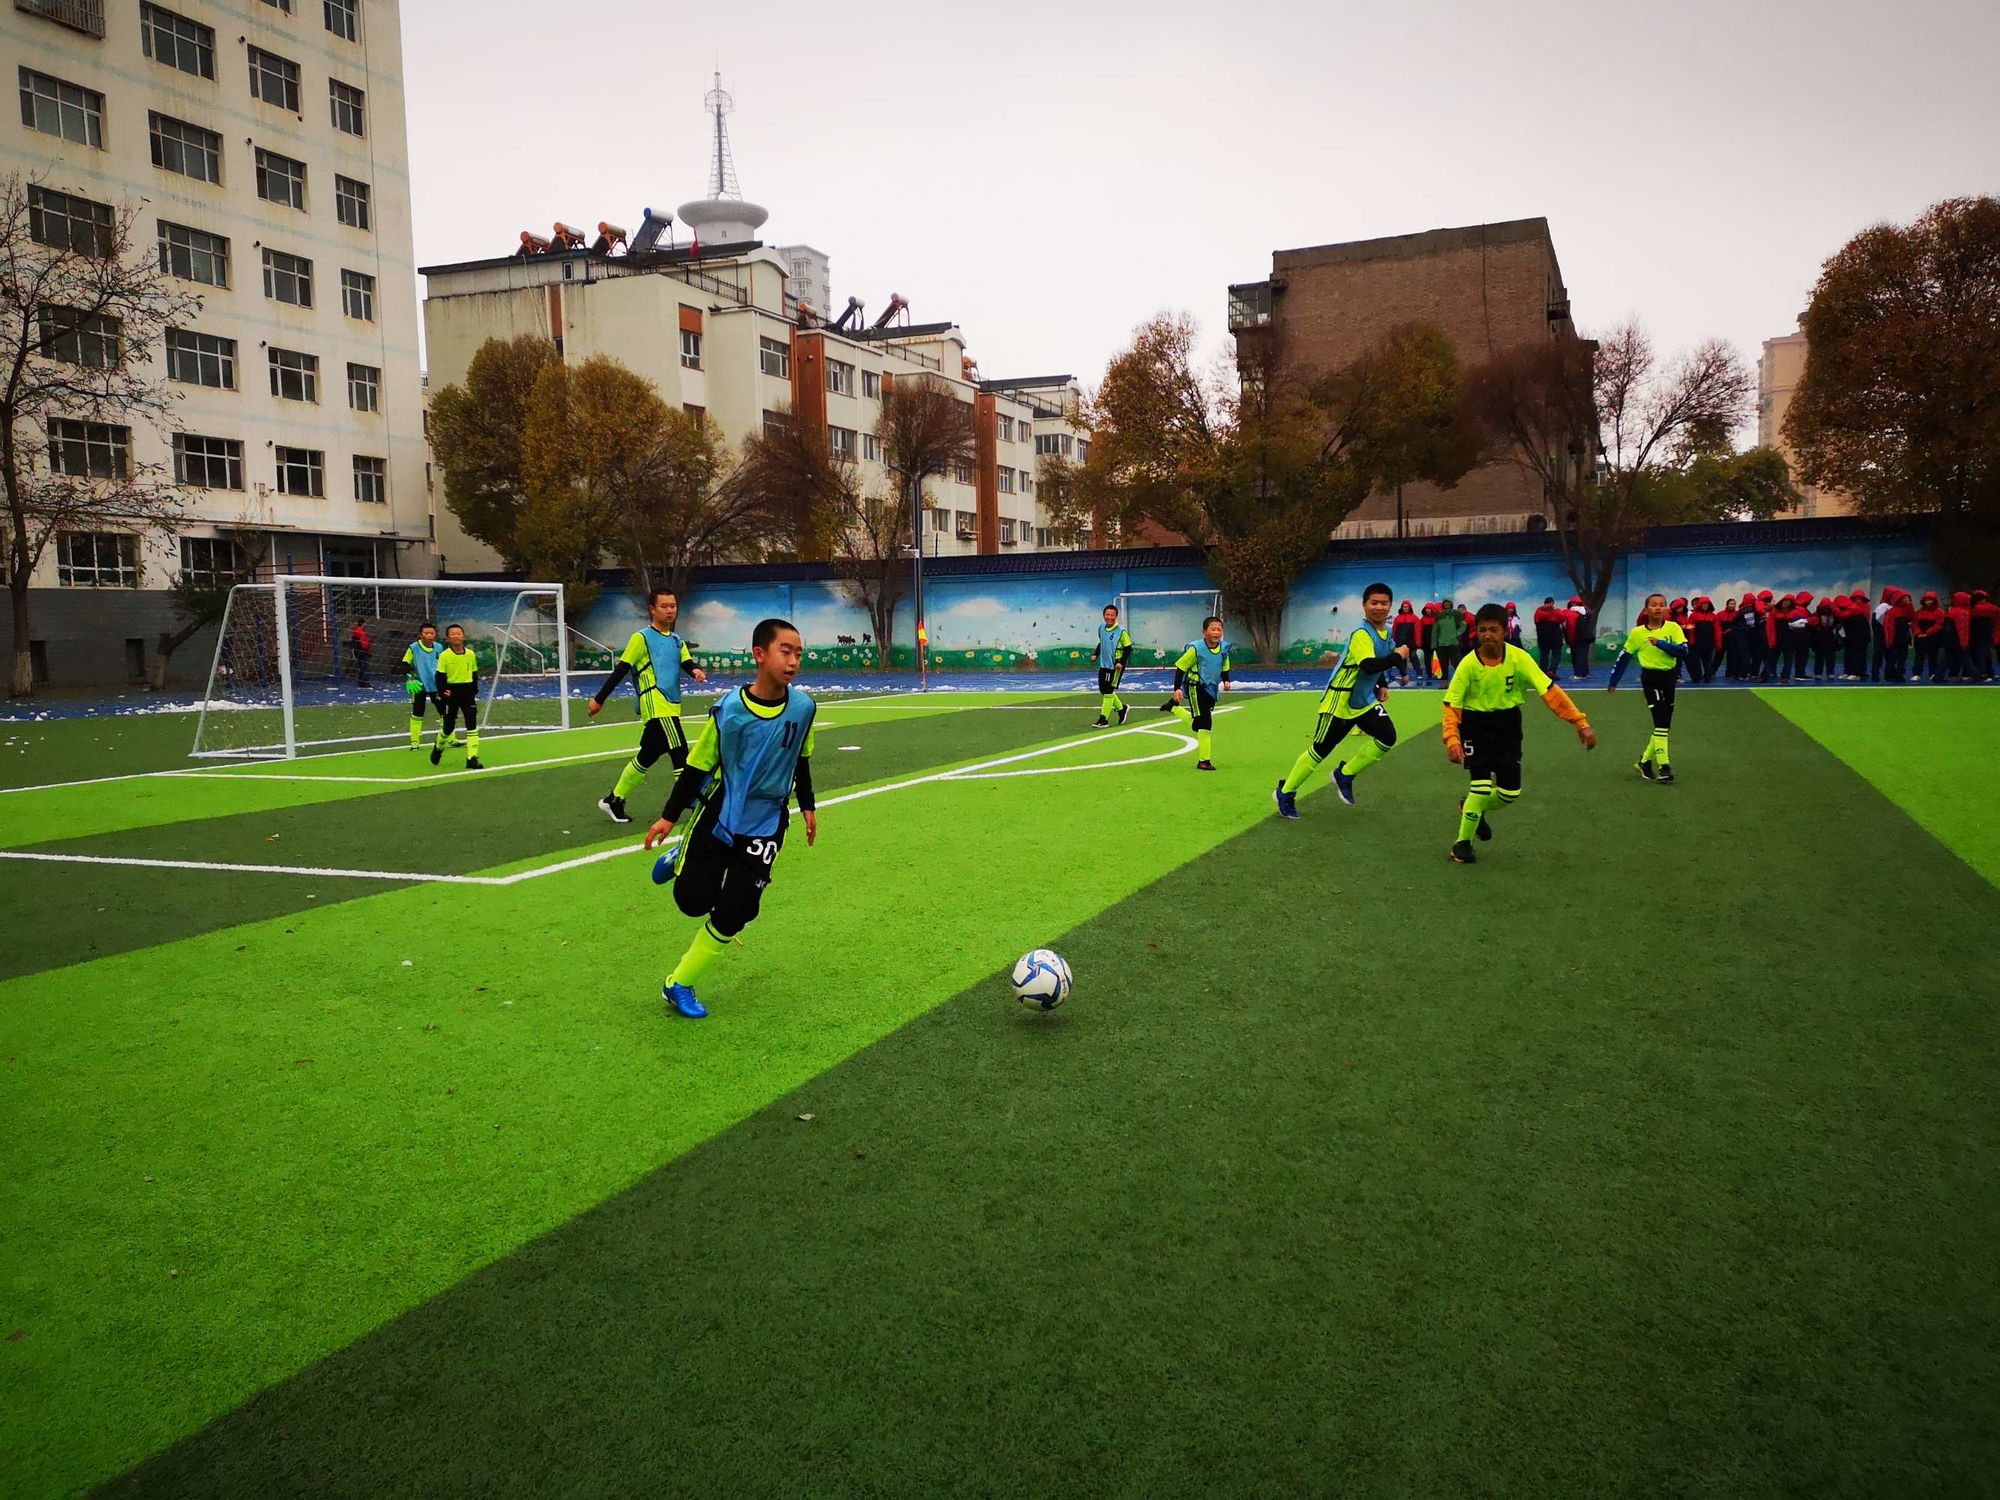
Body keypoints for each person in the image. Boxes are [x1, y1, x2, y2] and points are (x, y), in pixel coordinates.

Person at [643, 617, 819, 1020]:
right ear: (760, 654)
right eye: (785, 651)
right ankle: (679, 858)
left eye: (798, 654)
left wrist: (807, 805)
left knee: (738, 910)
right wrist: (668, 818)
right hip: (720, 814)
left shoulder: (805, 708)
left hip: (768, 823)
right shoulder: (729, 711)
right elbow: (695, 767)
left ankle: (679, 983)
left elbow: (802, 760)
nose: (793, 661)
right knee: (692, 902)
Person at [1441, 603, 1595, 864]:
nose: (1488, 635)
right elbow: (1451, 705)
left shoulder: (1520, 659)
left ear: (1505, 631)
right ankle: (1462, 844)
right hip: (1475, 727)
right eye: (1483, 630)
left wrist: (1579, 722)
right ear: (1476, 632)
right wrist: (1452, 739)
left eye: (1494, 630)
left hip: (1508, 727)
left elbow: (1550, 692)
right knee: (1480, 788)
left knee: (1510, 794)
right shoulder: (1468, 664)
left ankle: (1470, 807)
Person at [1273, 582, 1407, 819]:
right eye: (1373, 603)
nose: (1378, 607)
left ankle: (1344, 774)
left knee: (1387, 737)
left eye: (1383, 603)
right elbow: (1368, 664)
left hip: (1364, 700)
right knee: (1319, 750)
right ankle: (1285, 792)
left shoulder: (1386, 634)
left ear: (1390, 606)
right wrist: (1398, 657)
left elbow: (1381, 661)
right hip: (1340, 700)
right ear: (1364, 605)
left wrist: (1384, 683)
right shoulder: (1361, 634)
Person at [588, 588, 710, 824]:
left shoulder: (676, 640)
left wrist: (695, 671)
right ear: (652, 609)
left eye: (672, 606)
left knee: (646, 756)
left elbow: (686, 662)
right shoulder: (641, 638)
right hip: (656, 705)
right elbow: (621, 669)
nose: (669, 610)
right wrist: (599, 698)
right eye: (664, 606)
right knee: (681, 754)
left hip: (671, 705)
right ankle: (692, 801)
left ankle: (614, 800)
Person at [1607, 592, 1687, 783]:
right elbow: (1624, 657)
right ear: (1646, 609)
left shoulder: (1674, 628)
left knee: (1664, 725)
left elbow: (1683, 651)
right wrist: (1613, 681)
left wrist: (1660, 643)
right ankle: (1664, 767)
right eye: (1653, 604)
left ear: (1666, 608)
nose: (1658, 608)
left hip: (1670, 679)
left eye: (1661, 604)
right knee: (1660, 721)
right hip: (1651, 680)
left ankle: (1644, 761)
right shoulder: (1638, 634)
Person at [1161, 615, 1233, 770]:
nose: (1216, 632)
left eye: (1219, 629)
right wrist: (1177, 688)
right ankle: (1204, 761)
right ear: (1204, 632)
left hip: (1211, 689)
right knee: (1206, 723)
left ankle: (1173, 708)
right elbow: (1181, 667)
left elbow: (1225, 666)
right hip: (1195, 687)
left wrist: (1226, 680)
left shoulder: (1224, 649)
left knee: (1198, 725)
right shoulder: (1196, 649)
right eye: (1213, 629)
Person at [430, 624, 484, 769]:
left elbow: (474, 673)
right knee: (448, 727)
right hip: (451, 693)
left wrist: (474, 690)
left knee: (471, 723)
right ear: (448, 638)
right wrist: (443, 691)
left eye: (458, 633)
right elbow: (439, 676)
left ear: (463, 636)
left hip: (467, 692)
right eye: (452, 634)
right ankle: (438, 748)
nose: (456, 636)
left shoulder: (470, 654)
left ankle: (471, 758)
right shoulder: (444, 655)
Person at [401, 622, 444, 750]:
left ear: (435, 634)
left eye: (431, 633)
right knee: (418, 712)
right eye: (426, 633)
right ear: (421, 635)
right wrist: (410, 678)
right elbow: (404, 664)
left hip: (437, 685)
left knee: (444, 711)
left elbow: (443, 664)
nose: (429, 635)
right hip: (419, 685)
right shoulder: (413, 648)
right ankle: (415, 742)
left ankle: (449, 737)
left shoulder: (439, 647)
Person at [1091, 604, 1134, 727]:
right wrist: (1096, 654)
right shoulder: (1101, 628)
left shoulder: (1121, 632)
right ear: (1104, 615)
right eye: (1107, 614)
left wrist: (1121, 662)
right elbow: (1102, 643)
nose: (1109, 617)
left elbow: (1128, 648)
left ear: (1116, 616)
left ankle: (1103, 719)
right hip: (1103, 665)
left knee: (1108, 692)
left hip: (1115, 666)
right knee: (1104, 690)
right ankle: (1122, 709)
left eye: (1112, 615)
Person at [1912, 592, 1947, 682]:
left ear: (1934, 601)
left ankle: (1933, 673)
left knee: (1933, 657)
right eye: (1926, 600)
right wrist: (1918, 633)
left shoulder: (1939, 612)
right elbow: (1914, 624)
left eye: (1930, 600)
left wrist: (1928, 633)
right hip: (1920, 639)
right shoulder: (1918, 612)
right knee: (1919, 657)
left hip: (1933, 639)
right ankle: (1917, 674)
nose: (1928, 602)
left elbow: (1939, 624)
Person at [1431, 596, 1464, 680]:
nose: (1447, 604)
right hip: (1441, 644)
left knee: (1457, 663)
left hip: (1454, 643)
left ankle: (1461, 679)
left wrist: (1457, 633)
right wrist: (1434, 644)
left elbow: (1463, 625)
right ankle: (1445, 681)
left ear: (1451, 603)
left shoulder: (1456, 614)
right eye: (1445, 602)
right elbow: (1435, 630)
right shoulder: (1439, 615)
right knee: (1443, 664)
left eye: (1448, 602)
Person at [1841, 588, 1871, 679]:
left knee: (1859, 654)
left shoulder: (1864, 608)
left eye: (1860, 598)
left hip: (1860, 635)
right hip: (1851, 634)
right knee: (1849, 653)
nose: (1858, 600)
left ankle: (1858, 673)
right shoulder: (1851, 607)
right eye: (1856, 598)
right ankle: (1848, 671)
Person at [1971, 589, 1999, 682]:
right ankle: (1988, 674)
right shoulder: (1991, 608)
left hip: (1976, 636)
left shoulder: (1971, 608)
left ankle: (1983, 674)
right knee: (1986, 656)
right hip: (1986, 635)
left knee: (1980, 656)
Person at [1534, 597, 1565, 676]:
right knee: (1556, 654)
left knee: (1544, 654)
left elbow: (1536, 621)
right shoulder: (1556, 612)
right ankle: (1552, 671)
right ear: (1552, 603)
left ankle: (1543, 672)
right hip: (1555, 636)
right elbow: (1562, 619)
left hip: (1543, 637)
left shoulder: (1538, 612)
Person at [1392, 599, 1420, 685]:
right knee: (1402, 659)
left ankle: (1419, 673)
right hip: (1400, 642)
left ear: (1410, 607)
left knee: (1413, 656)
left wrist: (1418, 641)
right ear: (1402, 608)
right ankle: (1402, 673)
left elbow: (1418, 630)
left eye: (1407, 607)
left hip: (1411, 642)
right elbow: (1394, 630)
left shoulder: (1415, 618)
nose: (1406, 608)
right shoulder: (1397, 618)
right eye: (1404, 607)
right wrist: (1394, 640)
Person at [1946, 591, 1972, 681]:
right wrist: (1964, 643)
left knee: (1951, 659)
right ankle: (1974, 675)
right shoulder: (1963, 612)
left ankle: (1952, 675)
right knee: (1965, 659)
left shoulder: (1951, 610)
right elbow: (1963, 629)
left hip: (1950, 640)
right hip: (1959, 640)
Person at [1567, 596, 1594, 679]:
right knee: (1583, 655)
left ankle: (1578, 674)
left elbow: (1571, 627)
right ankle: (1585, 673)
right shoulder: (1587, 612)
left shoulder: (1571, 613)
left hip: (1577, 637)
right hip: (1587, 636)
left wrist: (1570, 639)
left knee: (1577, 656)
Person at [348, 621, 373, 688]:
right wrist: (367, 652)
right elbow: (364, 644)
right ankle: (365, 683)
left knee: (362, 668)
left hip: (359, 652)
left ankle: (361, 683)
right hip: (362, 652)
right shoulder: (361, 633)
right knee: (365, 668)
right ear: (363, 624)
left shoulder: (355, 633)